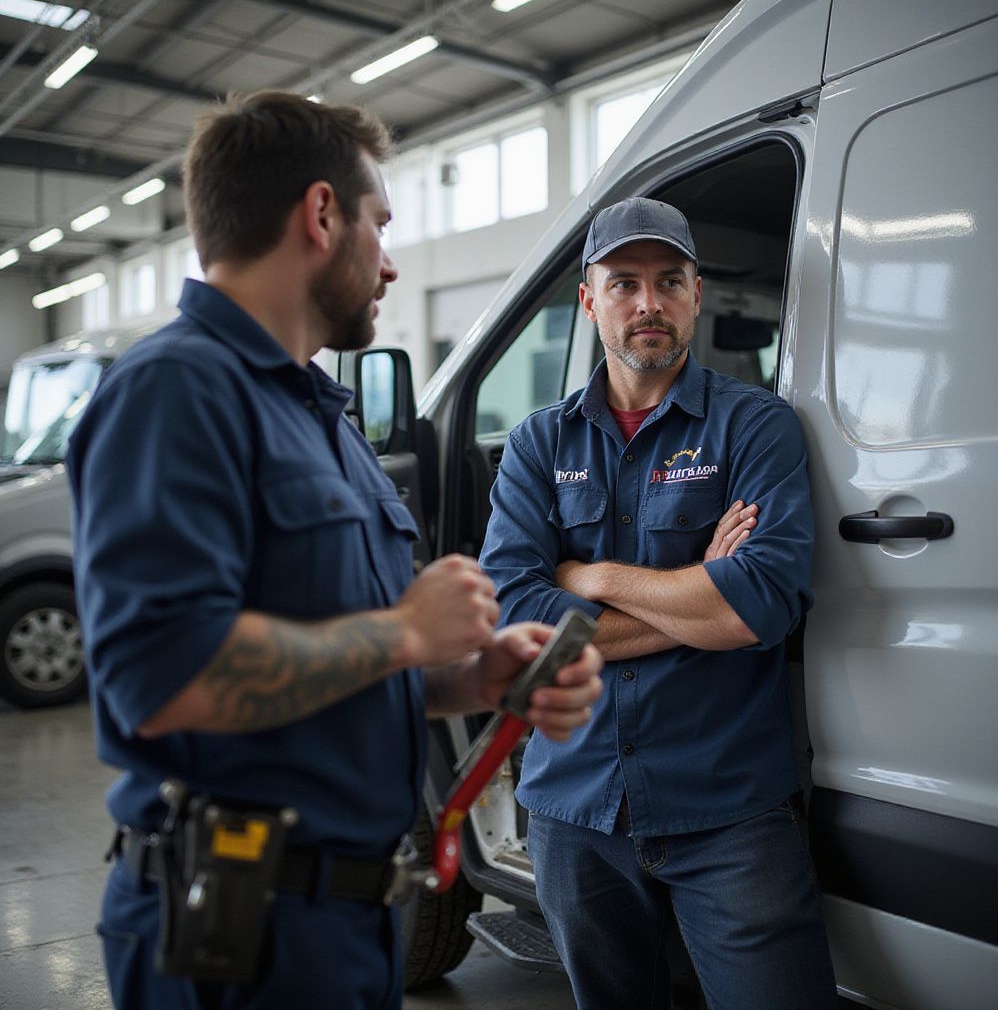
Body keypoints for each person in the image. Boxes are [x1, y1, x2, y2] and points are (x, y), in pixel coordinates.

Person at [66, 90, 602, 1010]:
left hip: (347, 925)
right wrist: (402, 633)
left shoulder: (321, 416)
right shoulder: (174, 393)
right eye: (379, 225)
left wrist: (462, 679)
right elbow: (157, 679)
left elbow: (333, 653)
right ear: (321, 216)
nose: (389, 265)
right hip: (236, 939)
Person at [479, 197, 837, 1009]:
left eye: (668, 281)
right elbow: (514, 621)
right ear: (588, 299)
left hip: (729, 811)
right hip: (574, 810)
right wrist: (691, 599)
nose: (648, 303)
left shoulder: (756, 428)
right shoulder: (540, 442)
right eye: (625, 283)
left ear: (696, 294)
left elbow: (754, 610)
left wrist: (588, 576)